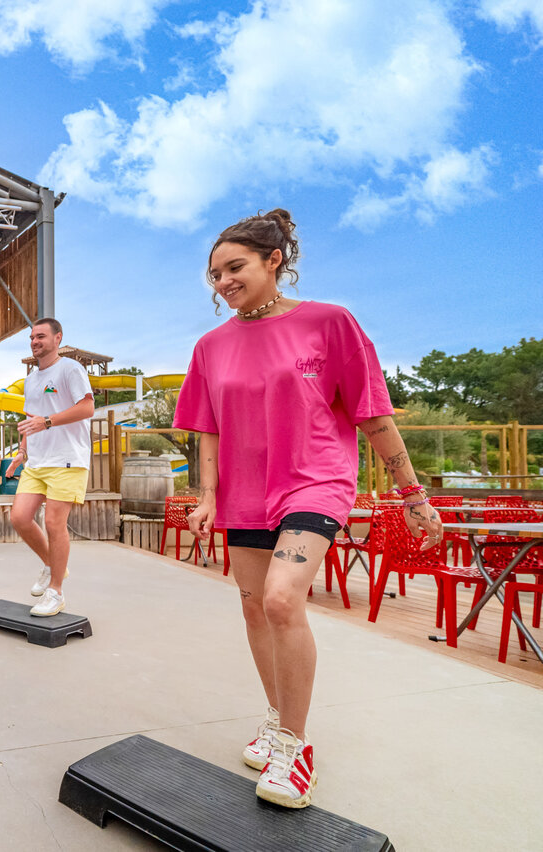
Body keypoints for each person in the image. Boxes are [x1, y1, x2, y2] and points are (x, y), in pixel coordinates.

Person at [174, 209, 442, 808]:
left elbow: (372, 413)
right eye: (214, 274)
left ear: (275, 262)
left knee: (280, 599)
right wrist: (208, 496)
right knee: (252, 611)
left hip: (315, 480)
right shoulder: (210, 346)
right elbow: (207, 430)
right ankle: (276, 718)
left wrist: (413, 494)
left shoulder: (330, 322)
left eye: (235, 267)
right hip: (244, 492)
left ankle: (296, 746)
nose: (223, 282)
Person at [5, 318, 95, 616]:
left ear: (57, 338)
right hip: (37, 462)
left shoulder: (71, 369)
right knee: (19, 517)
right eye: (32, 337)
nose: (35, 341)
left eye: (41, 336)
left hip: (67, 459)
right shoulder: (31, 379)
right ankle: (52, 565)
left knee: (55, 524)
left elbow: (87, 407)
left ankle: (56, 591)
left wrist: (47, 422)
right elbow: (32, 419)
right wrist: (21, 452)